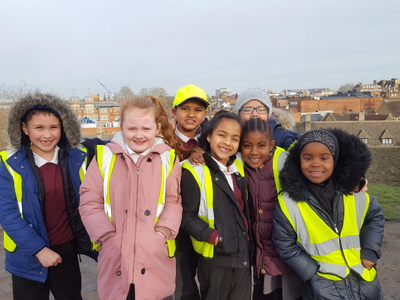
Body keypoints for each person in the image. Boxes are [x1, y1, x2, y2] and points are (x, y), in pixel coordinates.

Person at [79, 96, 183, 300]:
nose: (139, 135)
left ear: (158, 128)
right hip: (115, 253)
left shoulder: (168, 158)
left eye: (146, 129)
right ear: (121, 127)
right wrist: (105, 236)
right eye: (132, 128)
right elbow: (89, 200)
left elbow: (173, 200)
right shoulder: (104, 157)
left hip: (154, 254)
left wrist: (162, 233)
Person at [0, 92, 93, 300]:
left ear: (63, 127)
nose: (47, 135)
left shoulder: (78, 159)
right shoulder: (8, 164)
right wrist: (39, 250)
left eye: (54, 127)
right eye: (38, 128)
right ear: (24, 128)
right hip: (27, 254)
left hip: (65, 252)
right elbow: (7, 214)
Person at [273, 129, 384, 300]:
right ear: (298, 161)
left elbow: (374, 216)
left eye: (324, 158)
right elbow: (284, 242)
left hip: (365, 283)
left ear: (335, 159)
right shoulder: (288, 203)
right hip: (322, 288)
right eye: (308, 158)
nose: (315, 163)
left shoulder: (353, 192)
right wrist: (310, 272)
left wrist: (369, 250)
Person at [181, 111, 252, 300]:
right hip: (215, 259)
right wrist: (214, 237)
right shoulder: (194, 170)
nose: (227, 142)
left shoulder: (240, 168)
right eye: (222, 135)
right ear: (209, 135)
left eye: (234, 138)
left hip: (242, 255)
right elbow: (187, 217)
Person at [240, 118, 302, 300]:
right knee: (266, 291)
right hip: (259, 248)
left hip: (285, 245)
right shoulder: (237, 164)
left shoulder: (285, 161)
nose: (254, 152)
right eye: (247, 145)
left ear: (271, 145)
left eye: (261, 145)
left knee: (290, 291)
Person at [171, 84, 209, 300]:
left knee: (210, 279)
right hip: (177, 223)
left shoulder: (212, 141)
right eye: (185, 108)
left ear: (205, 113)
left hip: (206, 220)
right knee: (183, 282)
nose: (191, 114)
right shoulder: (162, 141)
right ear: (174, 112)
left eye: (197, 109)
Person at [235, 87, 300, 150]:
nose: (255, 114)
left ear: (268, 113)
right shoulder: (232, 135)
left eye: (261, 109)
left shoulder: (281, 135)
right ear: (238, 114)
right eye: (247, 110)